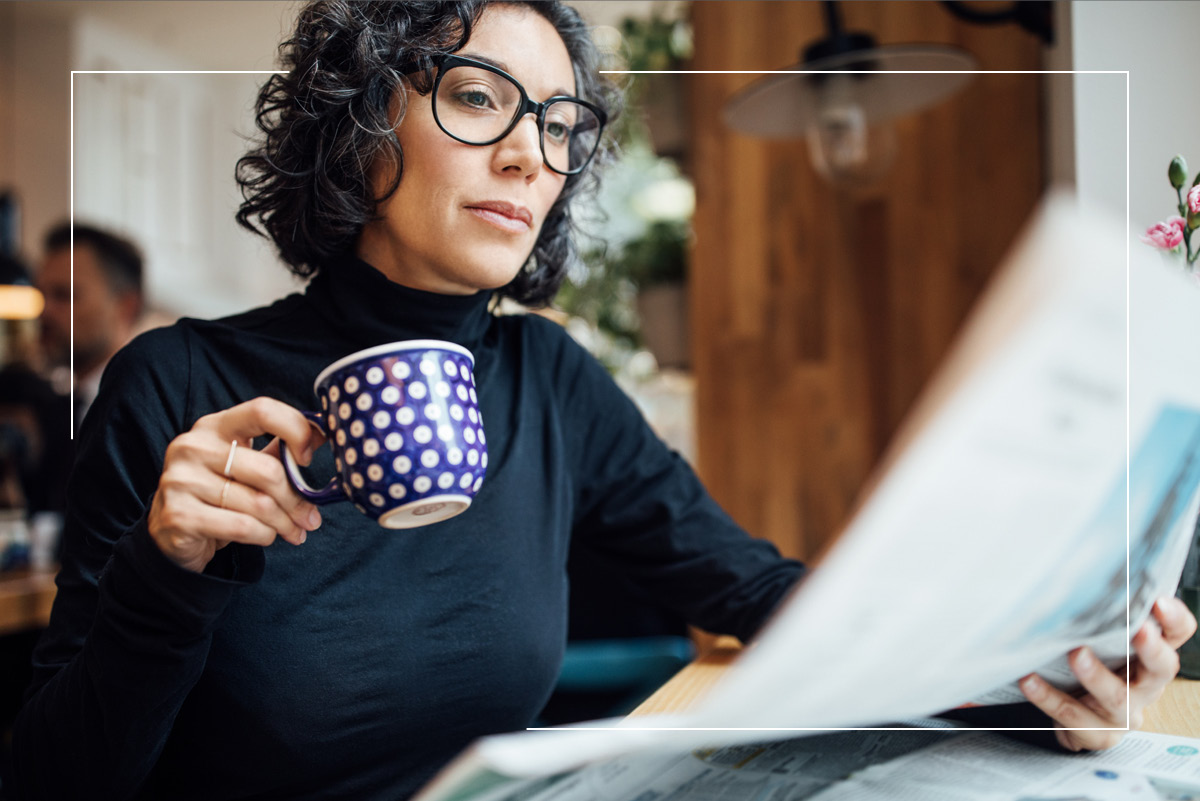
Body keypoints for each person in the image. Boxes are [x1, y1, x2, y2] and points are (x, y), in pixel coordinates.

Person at [9, 2, 1195, 800]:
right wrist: (168, 576)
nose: (530, 154)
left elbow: (761, 594)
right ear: (361, 120)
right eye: (480, 99)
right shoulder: (179, 387)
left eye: (560, 123)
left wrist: (1048, 677)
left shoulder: (551, 382)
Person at [35, 221, 144, 431]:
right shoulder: (57, 410)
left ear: (125, 307)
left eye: (64, 295)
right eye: (42, 295)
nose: (44, 311)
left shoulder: (143, 412)